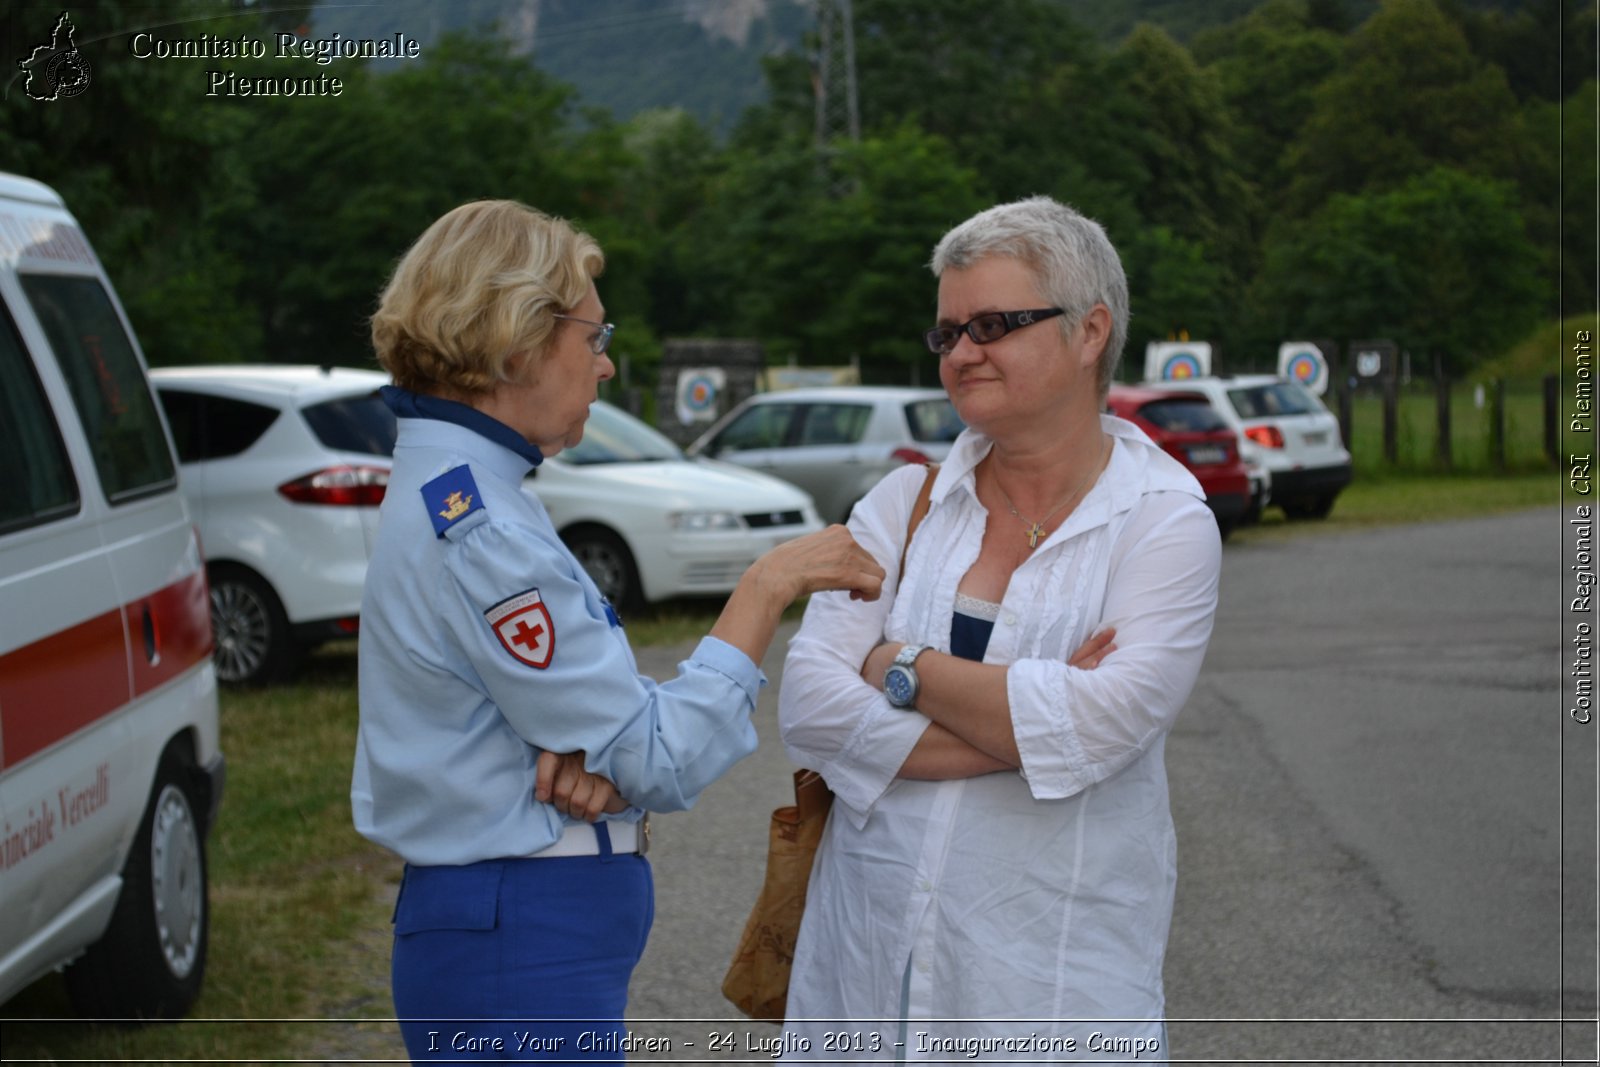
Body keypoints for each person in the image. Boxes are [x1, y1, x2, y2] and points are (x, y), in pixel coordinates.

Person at [350, 199, 884, 1063]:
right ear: (518, 337)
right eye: (593, 339)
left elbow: (600, 725)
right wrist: (768, 583)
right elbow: (657, 757)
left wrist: (605, 746)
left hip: (514, 928)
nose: (603, 368)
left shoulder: (468, 492)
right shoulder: (482, 524)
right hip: (518, 937)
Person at [778, 196, 1221, 1058]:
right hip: (865, 985)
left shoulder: (1164, 522)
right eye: (947, 333)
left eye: (992, 323)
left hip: (1046, 990)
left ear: (1089, 331)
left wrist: (892, 661)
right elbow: (807, 708)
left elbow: (1107, 719)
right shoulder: (900, 506)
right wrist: (1028, 726)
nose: (963, 351)